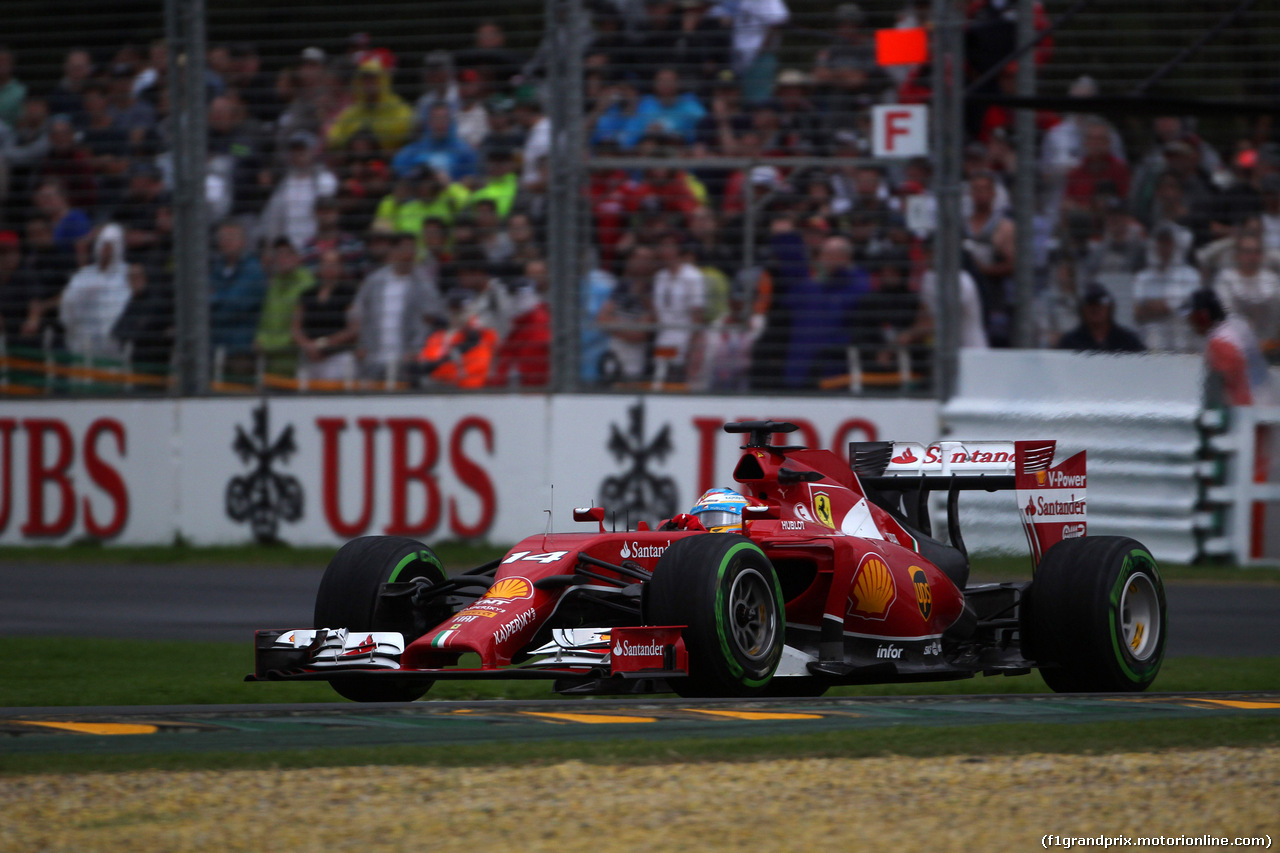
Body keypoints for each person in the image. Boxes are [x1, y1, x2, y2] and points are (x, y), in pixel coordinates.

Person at [771, 221, 870, 388]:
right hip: (800, 369)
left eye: (828, 254)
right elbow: (791, 278)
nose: (822, 259)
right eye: (822, 254)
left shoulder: (858, 286)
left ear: (844, 257)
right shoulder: (811, 287)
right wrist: (784, 237)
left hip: (834, 373)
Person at [350, 232, 445, 380]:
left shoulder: (424, 284)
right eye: (404, 249)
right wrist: (360, 345)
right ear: (393, 251)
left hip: (406, 361)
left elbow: (432, 318)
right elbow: (357, 312)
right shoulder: (375, 281)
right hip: (373, 358)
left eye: (412, 249)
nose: (408, 254)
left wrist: (417, 349)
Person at [1186, 288, 1278, 407]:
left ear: (1202, 318)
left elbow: (1228, 385)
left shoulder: (1220, 343)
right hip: (1266, 395)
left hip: (1250, 407)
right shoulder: (1238, 323)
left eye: (1192, 318)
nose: (1190, 323)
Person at [59, 223, 131, 359]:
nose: (106, 250)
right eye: (104, 244)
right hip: (82, 346)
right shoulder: (84, 275)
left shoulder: (126, 275)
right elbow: (68, 307)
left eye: (110, 246)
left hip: (112, 350)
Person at [260, 131, 338, 251]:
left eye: (302, 150)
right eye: (294, 151)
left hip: (316, 249)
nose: (297, 155)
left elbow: (329, 217)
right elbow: (274, 218)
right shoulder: (285, 184)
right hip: (290, 250)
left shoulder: (325, 180)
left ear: (312, 152)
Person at [292, 248, 358, 382]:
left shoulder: (347, 293)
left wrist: (325, 344)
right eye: (325, 264)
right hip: (310, 358)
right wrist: (308, 346)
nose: (329, 268)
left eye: (333, 264)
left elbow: (354, 328)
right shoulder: (307, 294)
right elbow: (295, 328)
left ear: (340, 268)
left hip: (337, 357)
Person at [1133, 223, 1201, 353]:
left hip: (1182, 347)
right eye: (1161, 241)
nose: (1163, 247)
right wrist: (1161, 306)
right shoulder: (1143, 277)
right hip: (1151, 349)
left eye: (1168, 242)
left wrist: (1150, 306)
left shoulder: (1191, 276)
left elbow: (1168, 307)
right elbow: (1138, 313)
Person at [326, 56, 413, 155]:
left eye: (373, 79)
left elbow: (404, 128)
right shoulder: (353, 111)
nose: (369, 84)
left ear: (383, 80)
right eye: (365, 79)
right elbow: (334, 136)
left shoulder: (398, 108)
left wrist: (362, 134)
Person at [651, 230, 706, 384]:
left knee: (678, 384)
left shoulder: (693, 277)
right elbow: (657, 313)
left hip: (684, 342)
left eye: (669, 246)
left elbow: (697, 315)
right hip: (664, 342)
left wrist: (692, 351)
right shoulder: (659, 277)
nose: (665, 251)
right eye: (662, 246)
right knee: (660, 382)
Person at [254, 238, 315, 376]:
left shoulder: (307, 285)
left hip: (297, 367)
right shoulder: (274, 285)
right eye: (279, 254)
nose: (282, 258)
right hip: (272, 368)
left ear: (298, 257)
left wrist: (267, 345)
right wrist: (260, 339)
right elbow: (264, 322)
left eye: (287, 254)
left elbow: (300, 331)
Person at [209, 221, 265, 367]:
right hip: (213, 347)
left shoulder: (253, 270)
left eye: (231, 237)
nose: (226, 241)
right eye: (222, 237)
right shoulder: (217, 268)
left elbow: (234, 305)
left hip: (240, 349)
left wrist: (214, 300)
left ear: (243, 241)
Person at [416, 288, 498, 389]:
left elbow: (471, 373)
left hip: (471, 394)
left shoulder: (482, 336)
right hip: (438, 394)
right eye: (453, 307)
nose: (457, 312)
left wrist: (437, 370)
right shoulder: (437, 336)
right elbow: (425, 365)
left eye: (461, 308)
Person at [490, 257, 551, 388]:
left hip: (534, 389)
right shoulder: (518, 325)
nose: (517, 300)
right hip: (519, 388)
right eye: (514, 295)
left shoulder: (539, 322)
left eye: (520, 295)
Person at [1213, 232, 1280, 349]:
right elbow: (1226, 312)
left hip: (1268, 347)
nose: (1252, 256)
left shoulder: (1272, 280)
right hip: (1235, 347)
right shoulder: (1226, 279)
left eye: (1257, 251)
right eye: (1247, 251)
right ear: (1237, 255)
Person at [391, 102, 479, 181]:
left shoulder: (464, 152)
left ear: (450, 121)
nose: (440, 123)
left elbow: (470, 181)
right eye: (436, 118)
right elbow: (400, 177)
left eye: (444, 118)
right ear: (428, 122)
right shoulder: (410, 152)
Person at [1055, 282, 1146, 353]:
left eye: (1100, 306)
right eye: (1090, 306)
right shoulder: (1070, 342)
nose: (1095, 310)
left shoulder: (1127, 340)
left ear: (1110, 308)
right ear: (1082, 310)